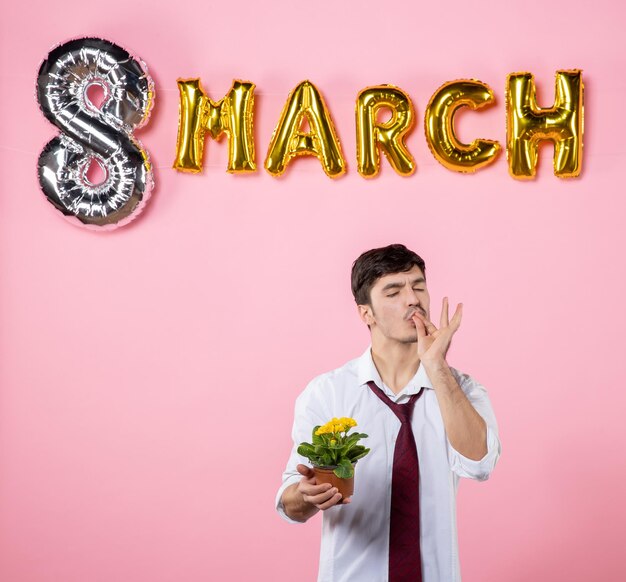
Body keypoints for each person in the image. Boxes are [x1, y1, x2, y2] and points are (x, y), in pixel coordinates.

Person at [275, 243, 501, 582]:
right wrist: (307, 496)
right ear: (366, 313)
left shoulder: (462, 390)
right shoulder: (328, 393)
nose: (413, 299)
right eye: (394, 291)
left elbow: (480, 464)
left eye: (418, 286)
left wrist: (437, 367)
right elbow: (291, 504)